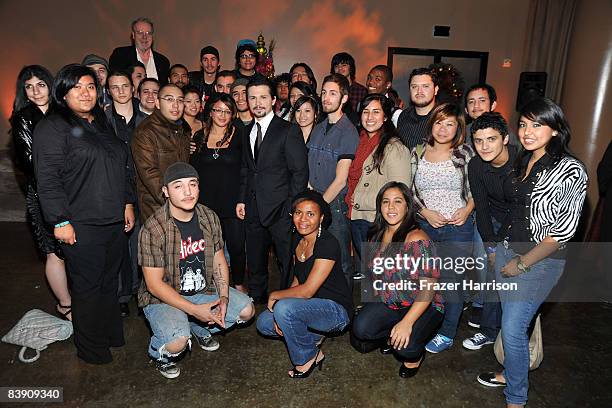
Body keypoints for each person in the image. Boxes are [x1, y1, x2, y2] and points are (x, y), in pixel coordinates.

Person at [477, 98, 588, 408]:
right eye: (524, 124)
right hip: (508, 250)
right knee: (513, 323)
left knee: (512, 327)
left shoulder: (570, 170)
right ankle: (510, 372)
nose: (527, 131)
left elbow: (561, 233)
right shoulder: (523, 160)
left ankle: (516, 398)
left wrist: (521, 264)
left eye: (537, 124)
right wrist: (498, 249)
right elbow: (514, 211)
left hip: (540, 262)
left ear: (555, 129)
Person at [33, 63, 135, 364]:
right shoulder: (53, 127)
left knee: (108, 282)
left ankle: (110, 336)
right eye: (77, 86)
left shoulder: (101, 123)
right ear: (63, 92)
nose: (85, 92)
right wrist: (60, 220)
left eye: (90, 86)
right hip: (80, 222)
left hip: (113, 220)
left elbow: (122, 167)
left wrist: (127, 202)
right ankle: (91, 349)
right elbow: (47, 179)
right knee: (88, 287)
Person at [139, 162, 254, 378]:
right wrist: (194, 310)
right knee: (176, 342)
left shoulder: (209, 217)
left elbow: (220, 261)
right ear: (165, 191)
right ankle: (158, 352)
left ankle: (198, 327)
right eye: (178, 186)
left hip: (201, 290)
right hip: (164, 297)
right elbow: (154, 285)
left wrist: (223, 298)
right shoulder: (153, 228)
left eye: (192, 184)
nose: (188, 192)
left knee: (246, 310)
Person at [351, 182, 443, 378]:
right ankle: (394, 334)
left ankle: (415, 355)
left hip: (423, 303)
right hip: (393, 300)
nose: (391, 207)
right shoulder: (376, 234)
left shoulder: (417, 239)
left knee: (406, 348)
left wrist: (407, 323)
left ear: (407, 206)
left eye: (397, 201)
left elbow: (428, 289)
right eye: (386, 202)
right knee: (361, 329)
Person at [256, 190, 352, 378]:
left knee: (284, 309)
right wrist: (280, 307)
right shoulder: (298, 240)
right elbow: (298, 280)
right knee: (264, 323)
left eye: (311, 214)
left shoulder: (327, 243)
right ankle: (313, 337)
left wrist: (276, 297)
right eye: (298, 213)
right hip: (310, 308)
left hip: (336, 311)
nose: (303, 219)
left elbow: (307, 291)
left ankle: (307, 358)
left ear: (321, 217)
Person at [409, 103, 475, 353]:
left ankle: (447, 333)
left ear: (458, 128)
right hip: (426, 225)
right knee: (425, 280)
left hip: (458, 228)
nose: (443, 128)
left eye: (450, 124)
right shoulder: (417, 151)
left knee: (450, 281)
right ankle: (427, 324)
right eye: (439, 122)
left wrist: (467, 210)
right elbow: (410, 191)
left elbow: (478, 188)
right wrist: (424, 212)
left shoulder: (466, 153)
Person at [236, 77, 309, 303]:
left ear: (274, 100)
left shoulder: (288, 130)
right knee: (256, 257)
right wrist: (241, 200)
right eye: (253, 98)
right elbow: (247, 170)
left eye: (263, 97)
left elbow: (300, 172)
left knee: (286, 259)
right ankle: (257, 297)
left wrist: (292, 208)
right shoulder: (246, 130)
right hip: (253, 206)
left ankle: (286, 299)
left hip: (281, 209)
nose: (258, 103)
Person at [10, 65, 72, 321]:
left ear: (51, 85)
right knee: (53, 252)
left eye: (41, 84)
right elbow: (28, 160)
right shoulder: (23, 116)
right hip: (43, 193)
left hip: (73, 191)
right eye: (29, 86)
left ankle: (80, 297)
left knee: (73, 248)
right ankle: (66, 305)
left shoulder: (64, 112)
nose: (35, 91)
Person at [462, 112, 516, 351]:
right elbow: (481, 208)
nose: (484, 147)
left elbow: (520, 209)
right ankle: (488, 331)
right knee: (493, 272)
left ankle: (511, 334)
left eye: (491, 139)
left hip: (522, 222)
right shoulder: (475, 165)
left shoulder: (522, 161)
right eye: (478, 141)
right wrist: (491, 246)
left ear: (505, 139)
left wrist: (502, 246)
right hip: (492, 219)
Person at [345, 94, 411, 280]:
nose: (370, 117)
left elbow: (401, 191)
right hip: (356, 215)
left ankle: (384, 307)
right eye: (366, 112)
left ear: (385, 117)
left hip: (377, 220)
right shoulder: (358, 140)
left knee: (383, 272)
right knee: (370, 270)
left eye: (376, 112)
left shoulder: (394, 147)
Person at [191, 93, 247, 293]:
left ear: (232, 114)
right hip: (205, 204)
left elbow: (245, 170)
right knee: (208, 248)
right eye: (218, 110)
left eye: (227, 111)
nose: (222, 115)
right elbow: (194, 171)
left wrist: (242, 199)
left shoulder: (240, 135)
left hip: (232, 203)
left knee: (237, 246)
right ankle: (210, 285)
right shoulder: (199, 137)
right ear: (210, 111)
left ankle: (239, 283)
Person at [308, 74, 359, 285]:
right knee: (317, 256)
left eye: (332, 93)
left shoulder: (348, 131)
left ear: (344, 98)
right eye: (323, 92)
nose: (326, 98)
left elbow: (340, 180)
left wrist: (318, 206)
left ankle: (345, 310)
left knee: (341, 261)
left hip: (334, 204)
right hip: (314, 197)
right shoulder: (318, 128)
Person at [105, 70, 148, 316]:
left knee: (145, 243)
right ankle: (122, 294)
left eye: (125, 86)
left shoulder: (145, 119)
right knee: (121, 243)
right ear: (108, 91)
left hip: (144, 189)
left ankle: (144, 293)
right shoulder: (101, 120)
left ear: (133, 88)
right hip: (114, 190)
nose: (121, 91)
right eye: (115, 87)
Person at [132, 84, 191, 223]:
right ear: (158, 103)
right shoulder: (145, 132)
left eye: (180, 100)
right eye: (169, 99)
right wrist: (177, 201)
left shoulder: (182, 129)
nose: (176, 105)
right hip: (157, 208)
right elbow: (150, 174)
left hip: (181, 204)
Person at [109, 17, 170, 83]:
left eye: (148, 33)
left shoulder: (163, 61)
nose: (144, 37)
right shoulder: (120, 55)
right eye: (140, 33)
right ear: (133, 35)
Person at [395, 68, 439, 150]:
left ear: (435, 90)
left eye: (425, 86)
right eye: (414, 87)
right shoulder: (404, 116)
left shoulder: (444, 118)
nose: (419, 91)